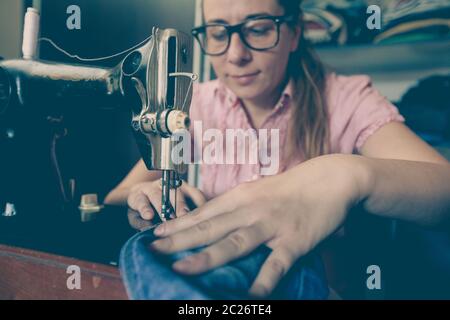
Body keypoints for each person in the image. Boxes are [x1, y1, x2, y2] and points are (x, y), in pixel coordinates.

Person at [105, 0, 450, 298]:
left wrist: (349, 175)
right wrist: (145, 195)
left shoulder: (346, 101)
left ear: (294, 32)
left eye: (257, 29)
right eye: (218, 33)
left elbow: (443, 191)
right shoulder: (198, 105)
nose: (236, 55)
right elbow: (118, 197)